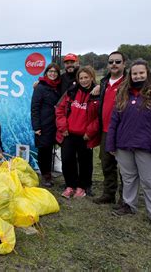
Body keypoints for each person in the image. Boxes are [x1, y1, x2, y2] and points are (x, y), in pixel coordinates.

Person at [107, 59, 151, 230]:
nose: (138, 76)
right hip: (124, 144)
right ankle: (129, 205)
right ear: (130, 75)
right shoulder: (123, 93)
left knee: (150, 181)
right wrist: (111, 144)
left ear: (147, 73)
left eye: (141, 73)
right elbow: (114, 120)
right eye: (135, 73)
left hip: (147, 147)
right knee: (129, 178)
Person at [56, 66, 100, 198]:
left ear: (92, 77)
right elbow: (59, 109)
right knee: (67, 160)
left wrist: (90, 132)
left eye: (86, 77)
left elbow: (100, 117)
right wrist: (63, 128)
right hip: (68, 134)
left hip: (86, 136)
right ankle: (70, 185)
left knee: (85, 162)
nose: (84, 80)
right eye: (81, 78)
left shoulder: (97, 94)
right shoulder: (71, 91)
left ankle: (82, 187)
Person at [93, 51, 127, 205]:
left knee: (126, 167)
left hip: (123, 130)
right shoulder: (104, 83)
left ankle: (125, 198)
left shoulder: (129, 82)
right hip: (106, 130)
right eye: (111, 62)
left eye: (117, 62)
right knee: (107, 163)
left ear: (124, 64)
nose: (114, 64)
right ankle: (109, 194)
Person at [31, 63, 62, 187]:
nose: (53, 73)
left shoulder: (59, 87)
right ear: (46, 73)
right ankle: (46, 175)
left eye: (55, 72)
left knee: (51, 149)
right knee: (44, 151)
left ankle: (51, 173)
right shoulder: (40, 87)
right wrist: (36, 127)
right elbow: (35, 108)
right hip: (44, 125)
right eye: (50, 71)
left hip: (56, 124)